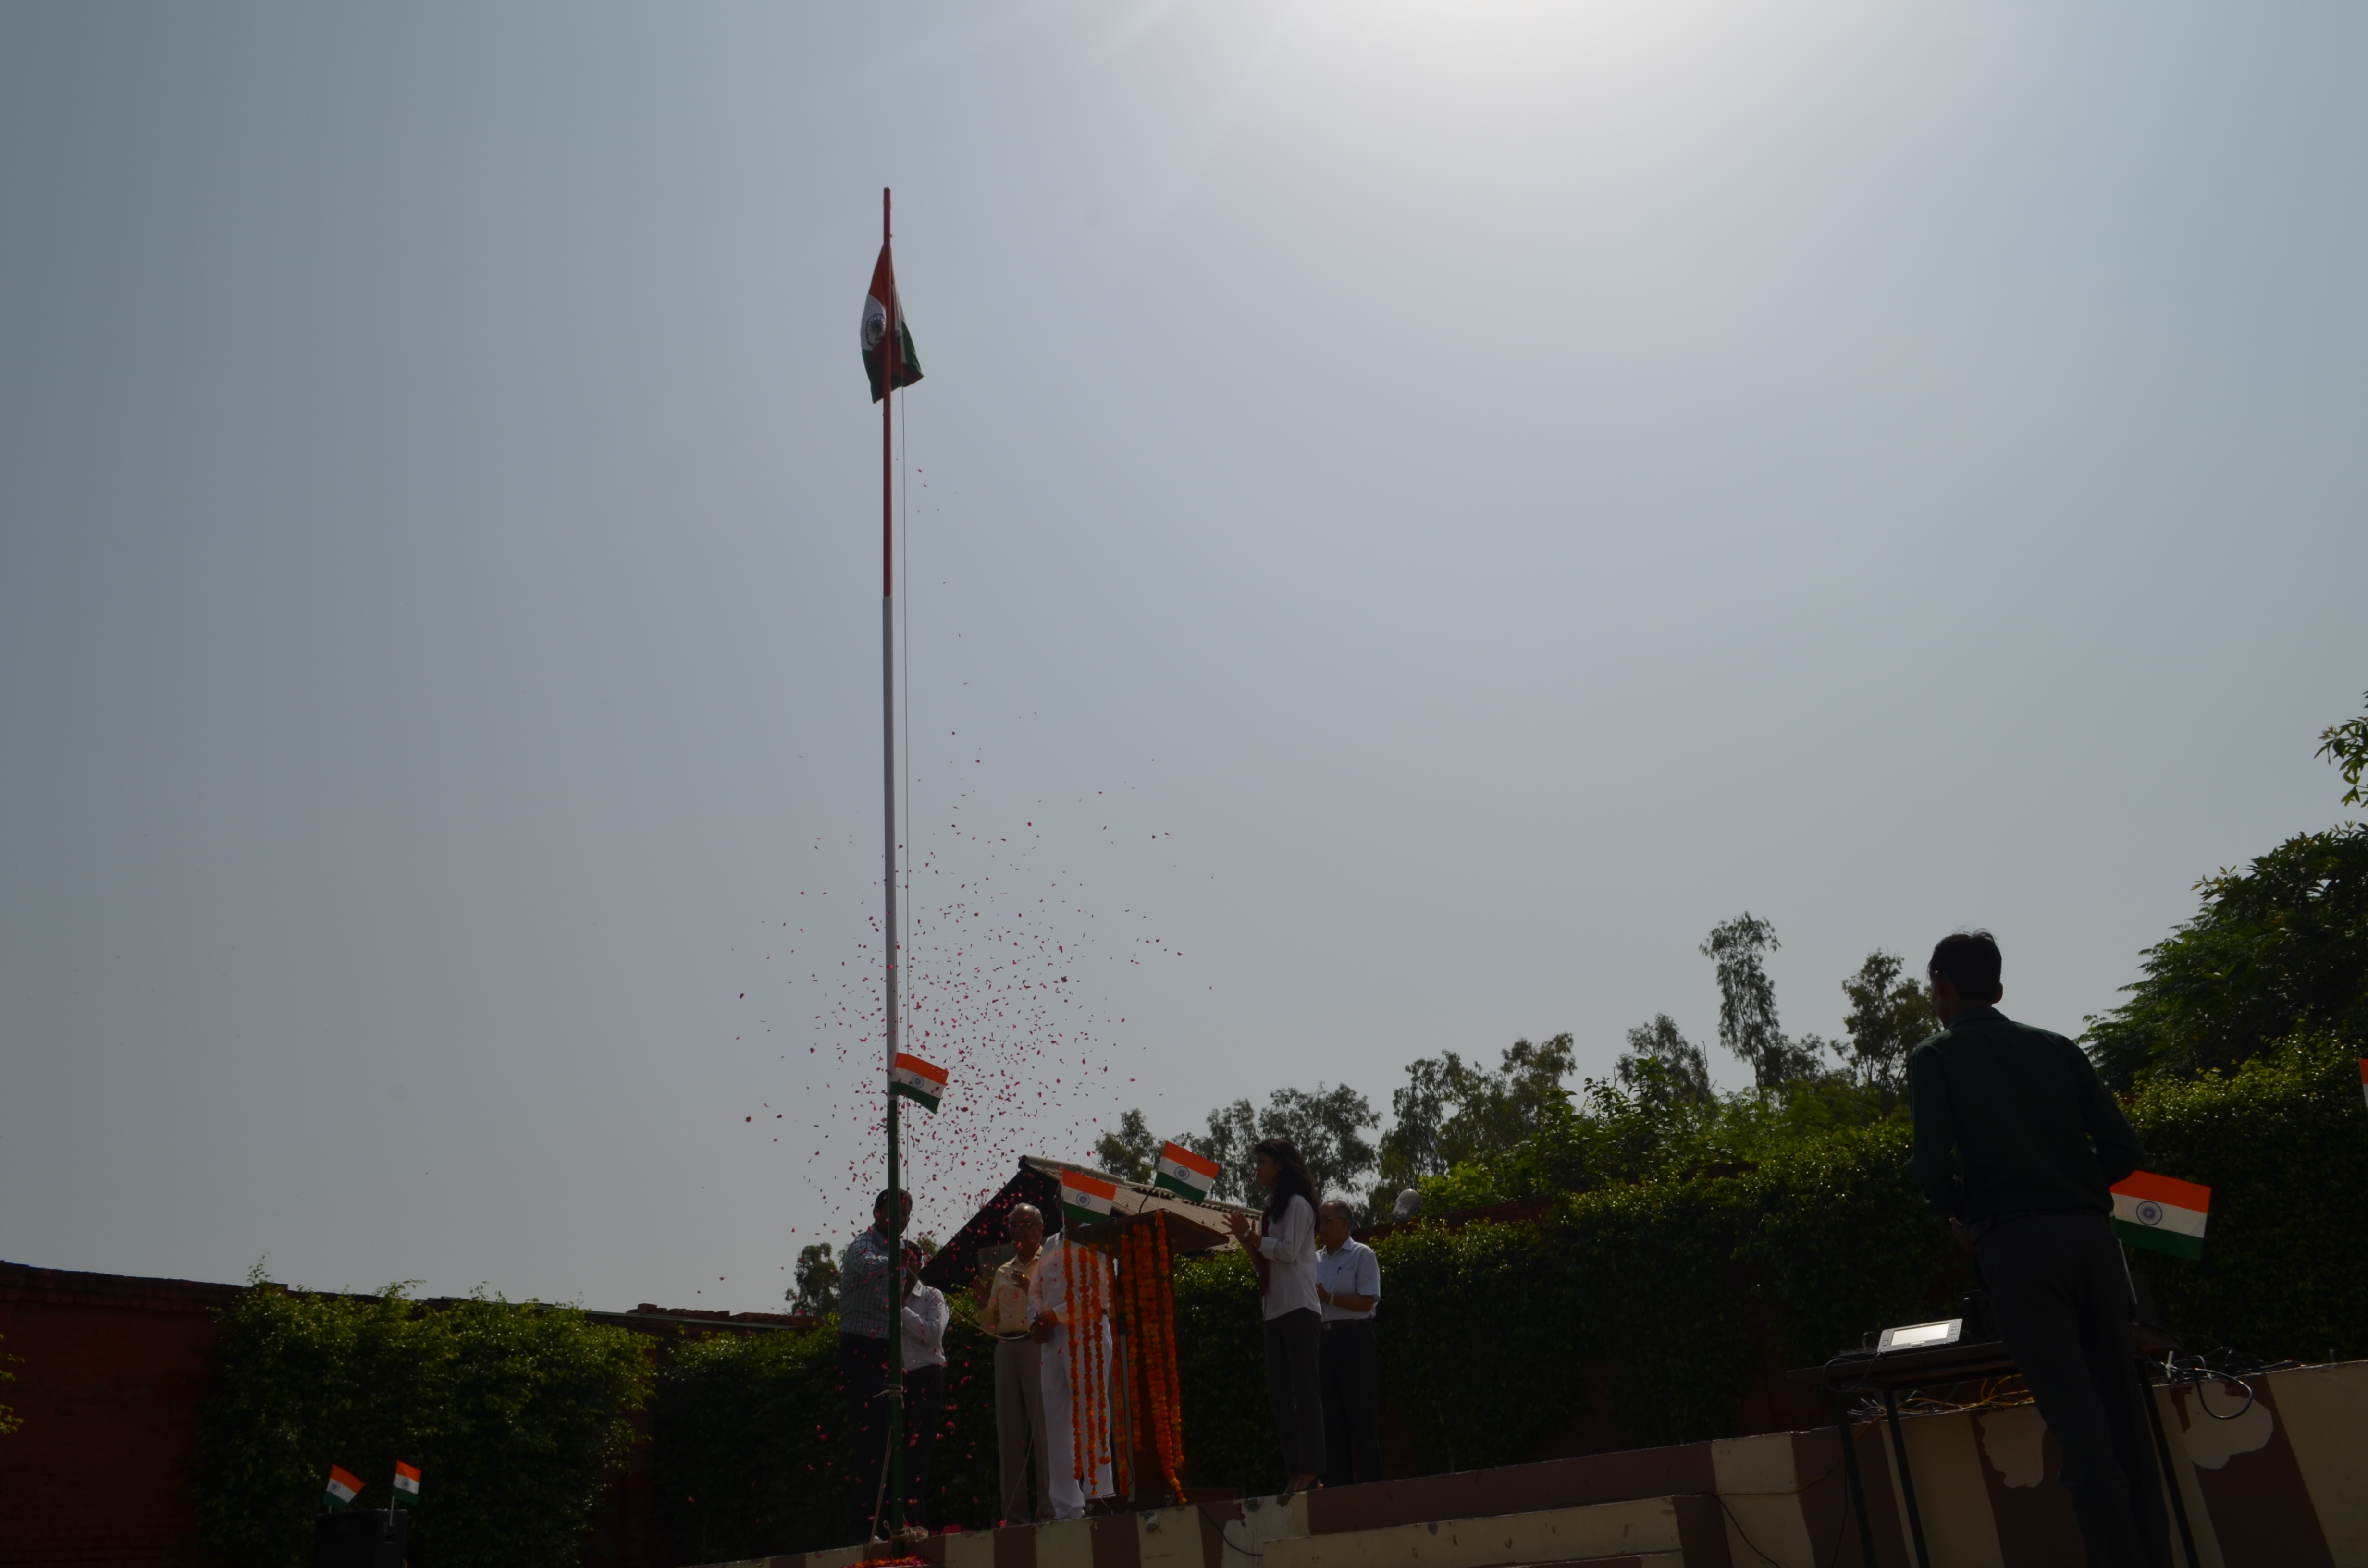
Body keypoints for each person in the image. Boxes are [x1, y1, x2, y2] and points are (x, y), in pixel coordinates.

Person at [1906, 930, 2169, 1568]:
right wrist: (2071, 1187)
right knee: (2123, 1417)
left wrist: (1959, 1211)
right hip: (2093, 1242)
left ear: (1941, 985)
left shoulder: (1935, 1058)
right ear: (1997, 988)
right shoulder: (2057, 1048)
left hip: (2018, 1250)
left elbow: (1930, 1166)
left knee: (2078, 1425)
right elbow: (2125, 1150)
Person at [1223, 1137, 1324, 1494]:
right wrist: (1246, 1240)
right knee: (1280, 1395)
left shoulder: (1297, 1204)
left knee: (1306, 1391)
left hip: (1299, 1306)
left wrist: (1253, 1237)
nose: (1257, 1169)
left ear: (1280, 1164)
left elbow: (1288, 1253)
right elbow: (1263, 1263)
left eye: (1262, 1162)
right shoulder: (1269, 1208)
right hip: (1274, 1309)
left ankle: (1312, 1470)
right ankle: (1296, 1471)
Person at [837, 1188, 912, 1543]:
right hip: (860, 1350)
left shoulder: (898, 1250)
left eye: (907, 1214)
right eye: (895, 1212)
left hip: (886, 1351)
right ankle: (863, 1530)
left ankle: (885, 1521)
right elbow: (868, 1267)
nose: (902, 1220)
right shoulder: (862, 1245)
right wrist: (899, 1258)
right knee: (871, 1440)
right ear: (878, 1213)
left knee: (890, 1438)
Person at [1027, 1222, 1115, 1518]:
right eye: (1059, 1199)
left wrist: (1055, 1315)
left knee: (1093, 1414)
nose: (1063, 1203)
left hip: (1088, 1329)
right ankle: (1067, 1506)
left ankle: (1099, 1496)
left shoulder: (1098, 1237)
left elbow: (1101, 1292)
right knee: (1056, 1418)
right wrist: (1038, 1320)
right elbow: (1035, 1289)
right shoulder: (1051, 1242)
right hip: (1051, 1335)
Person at [973, 1203, 1054, 1524]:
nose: (1018, 1231)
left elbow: (1058, 1307)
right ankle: (1015, 1515)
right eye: (1013, 1225)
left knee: (1043, 1430)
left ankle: (1050, 1509)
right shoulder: (1003, 1271)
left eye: (1025, 1225)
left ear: (1040, 1229)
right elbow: (990, 1321)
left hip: (1037, 1345)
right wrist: (983, 1306)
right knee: (1009, 1434)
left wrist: (1031, 1288)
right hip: (1006, 1347)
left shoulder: (1050, 1263)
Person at [1314, 1198, 1384, 1488]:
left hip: (1355, 1339)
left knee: (1361, 1415)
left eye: (1327, 1220)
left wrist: (1329, 1298)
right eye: (1319, 1221)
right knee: (1331, 1419)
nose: (1321, 1227)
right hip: (1324, 1341)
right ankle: (1338, 1488)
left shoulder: (1362, 1255)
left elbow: (1367, 1301)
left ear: (1345, 1224)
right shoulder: (1314, 1260)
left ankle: (1373, 1488)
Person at [900, 1241, 948, 1528]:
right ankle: (911, 1524)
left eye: (907, 1261)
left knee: (917, 1456)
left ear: (918, 1264)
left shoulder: (933, 1297)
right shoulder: (883, 1298)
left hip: (926, 1378)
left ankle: (915, 1525)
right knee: (897, 1457)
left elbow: (932, 1334)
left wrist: (901, 1310)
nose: (903, 1267)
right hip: (898, 1383)